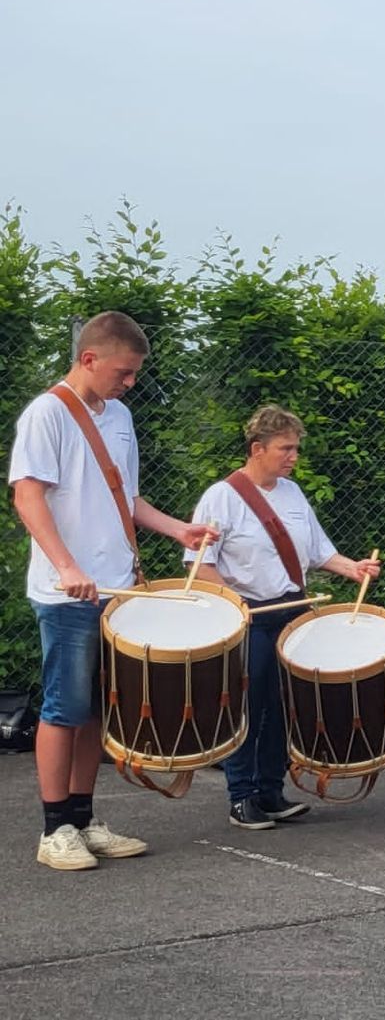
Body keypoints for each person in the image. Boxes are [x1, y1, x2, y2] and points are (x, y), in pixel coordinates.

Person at [9, 312, 218, 871]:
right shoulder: (47, 414)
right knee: (63, 706)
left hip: (119, 591)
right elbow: (28, 497)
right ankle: (54, 830)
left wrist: (179, 528)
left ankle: (83, 817)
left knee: (101, 707)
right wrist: (66, 565)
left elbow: (124, 497)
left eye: (134, 375)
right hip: (68, 593)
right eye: (123, 373)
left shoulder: (120, 416)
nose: (129, 383)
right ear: (90, 358)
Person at [183, 405, 383, 830]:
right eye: (285, 448)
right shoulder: (221, 496)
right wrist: (232, 604)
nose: (294, 456)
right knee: (248, 706)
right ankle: (242, 796)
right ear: (258, 449)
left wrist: (354, 568)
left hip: (293, 610)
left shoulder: (292, 494)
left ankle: (271, 791)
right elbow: (199, 562)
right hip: (250, 614)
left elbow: (318, 551)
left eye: (296, 448)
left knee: (283, 706)